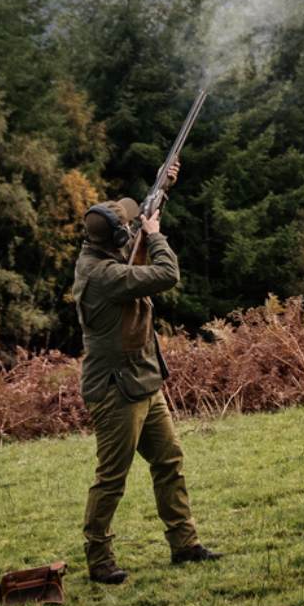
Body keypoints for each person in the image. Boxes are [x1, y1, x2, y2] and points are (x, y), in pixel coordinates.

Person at [72, 165, 220, 583]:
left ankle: (184, 544)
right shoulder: (104, 275)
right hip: (116, 390)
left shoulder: (106, 252)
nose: (132, 225)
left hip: (143, 381)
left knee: (169, 460)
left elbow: (138, 222)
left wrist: (163, 186)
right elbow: (166, 273)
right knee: (111, 479)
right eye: (125, 226)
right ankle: (99, 561)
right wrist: (156, 236)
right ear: (114, 238)